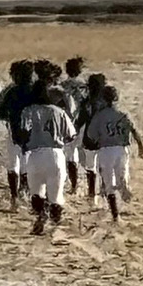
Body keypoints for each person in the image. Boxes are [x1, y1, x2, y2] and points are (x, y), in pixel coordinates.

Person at [21, 79, 76, 235]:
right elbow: (71, 135)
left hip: (35, 155)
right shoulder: (59, 111)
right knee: (56, 196)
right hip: (55, 154)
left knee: (36, 194)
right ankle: (55, 228)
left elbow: (23, 132)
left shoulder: (28, 111)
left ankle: (40, 217)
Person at [86, 84, 143, 223]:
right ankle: (124, 189)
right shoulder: (122, 114)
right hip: (121, 149)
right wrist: (140, 147)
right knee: (122, 175)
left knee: (108, 182)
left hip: (106, 150)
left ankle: (115, 214)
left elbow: (91, 135)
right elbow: (134, 131)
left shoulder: (99, 116)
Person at [0, 60, 35, 210]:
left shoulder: (12, 92)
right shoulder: (35, 91)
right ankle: (26, 192)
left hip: (14, 133)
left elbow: (1, 113)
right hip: (33, 135)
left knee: (13, 165)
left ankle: (14, 197)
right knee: (27, 165)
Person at [78, 72, 107, 206]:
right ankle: (104, 192)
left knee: (91, 168)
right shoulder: (106, 103)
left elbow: (81, 120)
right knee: (104, 167)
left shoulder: (87, 103)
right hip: (104, 139)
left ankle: (91, 194)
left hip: (89, 138)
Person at [60, 57, 87, 193]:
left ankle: (73, 185)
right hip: (82, 123)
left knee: (70, 155)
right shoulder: (85, 87)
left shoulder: (62, 86)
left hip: (66, 123)